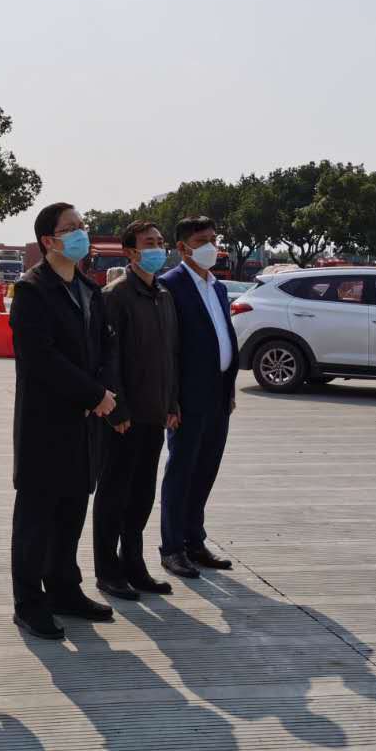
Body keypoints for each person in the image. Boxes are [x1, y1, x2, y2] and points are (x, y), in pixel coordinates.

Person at [10, 202, 118, 639]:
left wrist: (104, 394)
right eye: (70, 228)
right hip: (45, 423)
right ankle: (28, 602)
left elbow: (106, 348)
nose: (80, 233)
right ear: (48, 240)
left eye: (81, 226)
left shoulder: (89, 289)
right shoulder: (32, 290)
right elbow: (41, 358)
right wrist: (93, 394)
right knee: (36, 518)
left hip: (85, 422)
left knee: (72, 510)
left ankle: (64, 589)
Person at [94, 220, 180, 601]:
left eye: (160, 242)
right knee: (114, 495)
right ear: (130, 252)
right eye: (149, 243)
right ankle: (107, 570)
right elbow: (108, 359)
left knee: (142, 495)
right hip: (124, 418)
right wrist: (117, 410)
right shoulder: (116, 296)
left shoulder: (163, 295)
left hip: (154, 414)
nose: (158, 248)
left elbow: (170, 355)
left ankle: (133, 563)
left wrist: (171, 403)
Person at [157, 215, 239, 579]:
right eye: (202, 240)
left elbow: (223, 337)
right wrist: (170, 400)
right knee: (182, 471)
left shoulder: (216, 286)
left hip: (218, 394)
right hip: (187, 397)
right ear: (182, 248)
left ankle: (194, 541)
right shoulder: (170, 286)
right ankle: (172, 547)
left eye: (214, 239)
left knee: (206, 469)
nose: (211, 246)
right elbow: (167, 348)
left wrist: (229, 388)